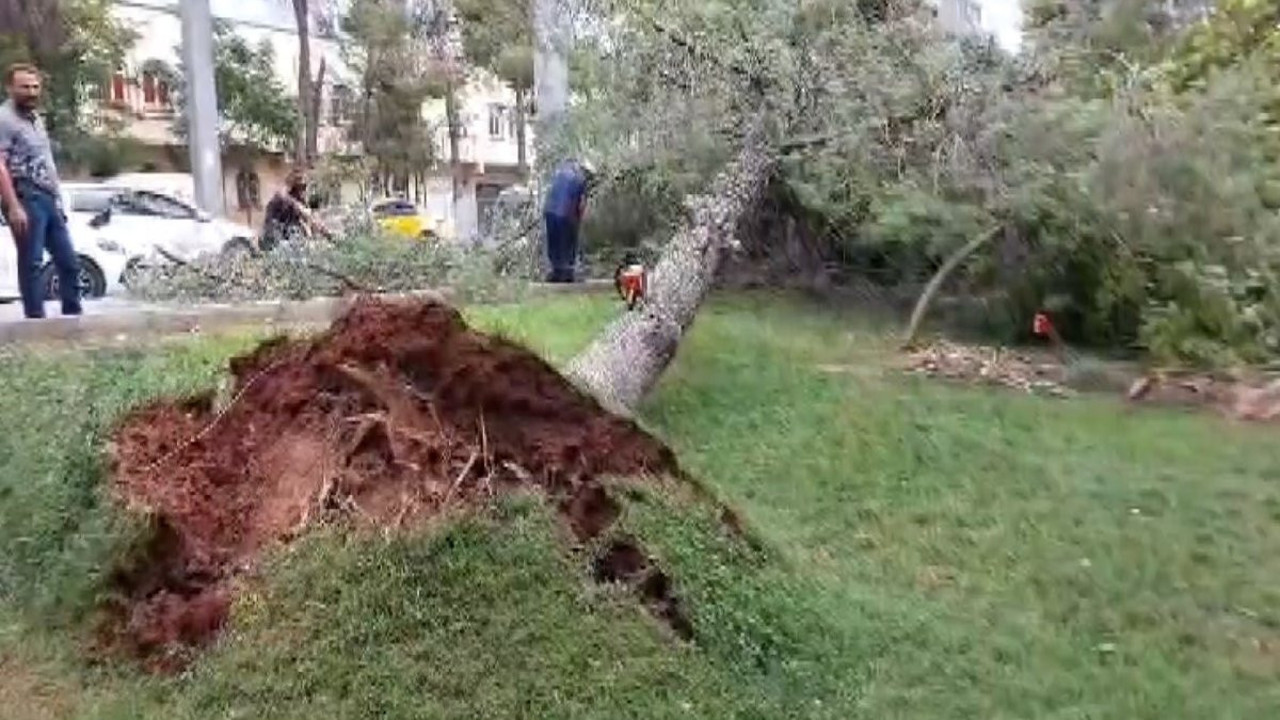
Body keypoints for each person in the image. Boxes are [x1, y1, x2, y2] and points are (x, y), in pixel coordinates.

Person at [0, 62, 81, 319]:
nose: (32, 92)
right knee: (32, 262)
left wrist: (57, 200)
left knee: (69, 262)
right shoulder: (4, 118)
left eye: (35, 87)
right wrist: (12, 205)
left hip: (47, 197)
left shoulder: (36, 119)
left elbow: (47, 162)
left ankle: (73, 318)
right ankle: (35, 322)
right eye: (24, 87)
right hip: (25, 196)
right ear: (10, 88)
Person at [542, 158, 596, 283]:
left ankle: (556, 272)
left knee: (554, 244)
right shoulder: (581, 180)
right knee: (569, 244)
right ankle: (567, 273)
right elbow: (581, 205)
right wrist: (579, 220)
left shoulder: (560, 173)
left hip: (550, 212)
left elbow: (550, 193)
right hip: (566, 215)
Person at [260, 168, 331, 252]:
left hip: (286, 239)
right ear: (295, 188)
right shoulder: (283, 199)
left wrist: (326, 233)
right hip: (276, 240)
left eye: (304, 187)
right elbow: (303, 212)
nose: (304, 191)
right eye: (302, 187)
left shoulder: (299, 201)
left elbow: (312, 220)